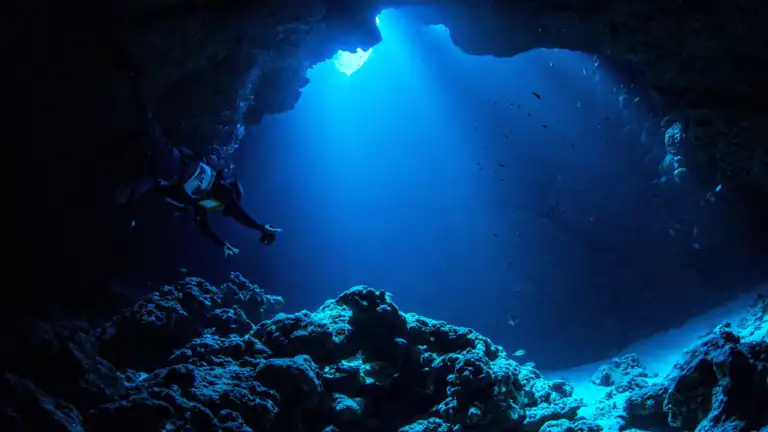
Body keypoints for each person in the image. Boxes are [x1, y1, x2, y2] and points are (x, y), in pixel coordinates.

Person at [116, 104, 281, 257]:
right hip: (175, 167)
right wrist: (259, 227)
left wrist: (222, 244)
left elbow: (205, 227)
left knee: (128, 194)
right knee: (152, 136)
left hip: (161, 178)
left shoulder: (206, 201)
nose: (226, 209)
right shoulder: (221, 189)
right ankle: (137, 98)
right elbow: (238, 213)